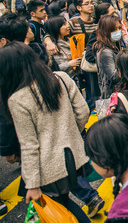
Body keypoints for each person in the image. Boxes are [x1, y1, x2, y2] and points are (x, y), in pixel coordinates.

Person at [0, 42, 91, 223]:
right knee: (64, 204)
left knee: (60, 208)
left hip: (47, 167)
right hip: (73, 156)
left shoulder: (17, 99)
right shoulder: (61, 78)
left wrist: (32, 185)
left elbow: (29, 145)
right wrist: (71, 134)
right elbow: (83, 112)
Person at [93, 15, 123, 98]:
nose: (118, 31)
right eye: (114, 29)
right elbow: (114, 77)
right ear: (105, 31)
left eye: (119, 28)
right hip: (112, 95)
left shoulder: (117, 46)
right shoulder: (105, 52)